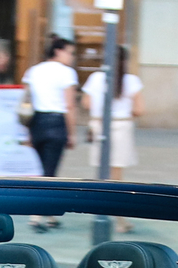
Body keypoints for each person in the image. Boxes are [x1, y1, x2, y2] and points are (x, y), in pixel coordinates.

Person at [21, 37, 80, 176]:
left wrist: (28, 132)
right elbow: (69, 106)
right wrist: (72, 133)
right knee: (50, 172)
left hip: (36, 122)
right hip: (57, 124)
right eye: (70, 53)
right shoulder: (67, 73)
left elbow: (27, 103)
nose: (72, 57)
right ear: (58, 51)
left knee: (41, 168)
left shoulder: (33, 71)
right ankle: (44, 196)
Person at [82, 56, 143, 180]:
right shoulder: (132, 80)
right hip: (121, 125)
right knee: (117, 168)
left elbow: (86, 103)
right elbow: (139, 109)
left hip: (99, 123)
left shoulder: (95, 77)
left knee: (101, 165)